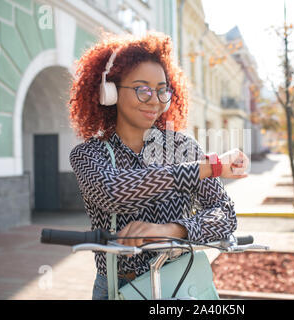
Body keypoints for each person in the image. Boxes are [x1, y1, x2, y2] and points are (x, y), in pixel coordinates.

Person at [68, 31, 249, 300]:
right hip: (120, 288)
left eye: (162, 90)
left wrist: (172, 231)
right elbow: (114, 193)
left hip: (181, 284)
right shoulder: (88, 154)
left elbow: (225, 215)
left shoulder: (183, 148)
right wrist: (207, 167)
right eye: (142, 89)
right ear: (110, 91)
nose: (155, 100)